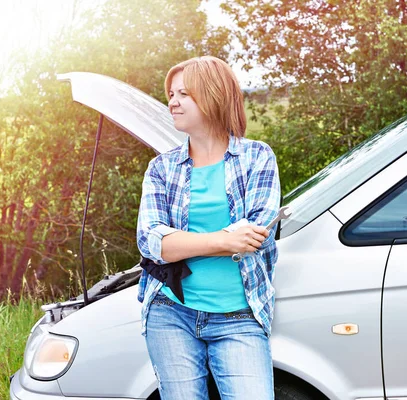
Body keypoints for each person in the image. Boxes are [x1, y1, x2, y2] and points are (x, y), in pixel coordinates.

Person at [136, 56, 281, 400]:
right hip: (171, 313)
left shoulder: (257, 158)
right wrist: (223, 239)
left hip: (240, 315)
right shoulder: (161, 168)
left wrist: (183, 241)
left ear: (213, 96)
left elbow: (256, 236)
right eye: (171, 94)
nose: (172, 102)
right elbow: (151, 241)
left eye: (183, 94)